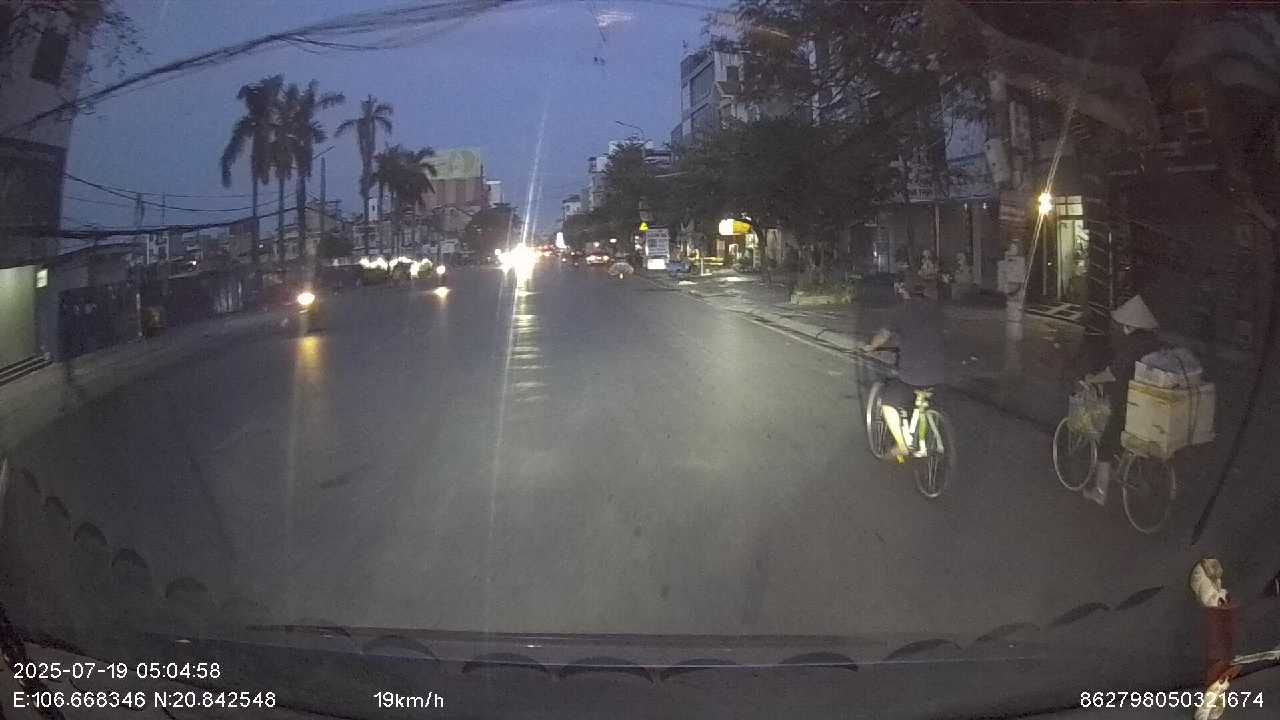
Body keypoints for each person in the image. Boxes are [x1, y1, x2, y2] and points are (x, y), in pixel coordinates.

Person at [1080, 294, 1163, 505]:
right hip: (1151, 402)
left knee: (1106, 442)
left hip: (1130, 403)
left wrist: (1093, 378)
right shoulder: (1153, 342)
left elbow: (1113, 373)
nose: (1123, 327)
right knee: (1125, 437)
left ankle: (1100, 493)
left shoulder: (1133, 345)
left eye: (1125, 323)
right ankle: (1122, 466)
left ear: (1132, 324)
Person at [864, 280, 946, 460]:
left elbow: (883, 336)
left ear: (905, 292)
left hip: (914, 374)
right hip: (941, 370)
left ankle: (902, 445)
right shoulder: (935, 309)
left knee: (888, 403)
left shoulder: (900, 311)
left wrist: (871, 348)